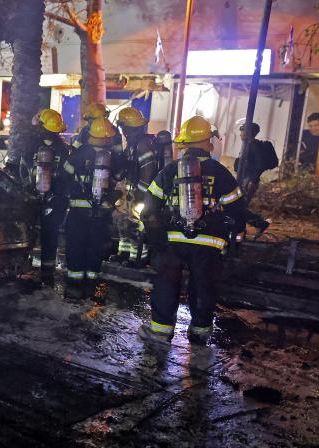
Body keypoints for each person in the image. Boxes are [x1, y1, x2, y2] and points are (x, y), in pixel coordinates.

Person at [139, 116, 246, 346]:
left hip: (172, 241)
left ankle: (160, 332)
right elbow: (237, 210)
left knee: (166, 285)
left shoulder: (169, 172)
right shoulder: (222, 174)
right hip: (209, 244)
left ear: (184, 144)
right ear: (209, 143)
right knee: (204, 287)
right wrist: (234, 243)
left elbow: (149, 208)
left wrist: (157, 242)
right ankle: (199, 334)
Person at [62, 117, 126, 299]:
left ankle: (74, 286)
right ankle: (91, 285)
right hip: (100, 212)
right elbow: (119, 179)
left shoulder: (78, 154)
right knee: (95, 246)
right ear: (107, 138)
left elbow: (64, 177)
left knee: (75, 246)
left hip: (77, 212)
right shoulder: (110, 158)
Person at [28, 109, 72, 284]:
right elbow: (67, 176)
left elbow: (24, 170)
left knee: (33, 233)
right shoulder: (64, 148)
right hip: (56, 199)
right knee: (49, 235)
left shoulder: (33, 145)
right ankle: (47, 273)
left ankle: (36, 269)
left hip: (37, 198)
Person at [113, 107, 157, 267]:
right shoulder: (132, 144)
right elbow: (126, 167)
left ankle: (138, 258)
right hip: (129, 192)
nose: (123, 131)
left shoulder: (144, 144)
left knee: (135, 227)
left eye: (125, 128)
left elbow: (148, 171)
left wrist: (141, 194)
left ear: (133, 128)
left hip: (140, 195)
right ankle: (123, 252)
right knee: (122, 223)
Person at [234, 122, 278, 237]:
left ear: (247, 133)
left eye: (242, 131)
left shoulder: (252, 146)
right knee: (240, 206)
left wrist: (252, 181)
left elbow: (259, 165)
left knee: (239, 207)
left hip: (248, 180)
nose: (240, 134)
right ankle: (253, 225)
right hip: (247, 179)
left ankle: (259, 224)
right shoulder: (250, 145)